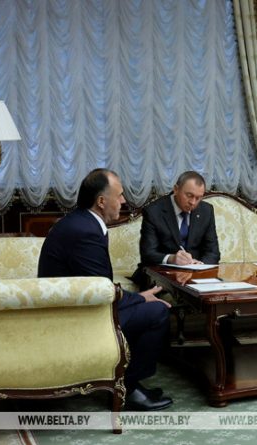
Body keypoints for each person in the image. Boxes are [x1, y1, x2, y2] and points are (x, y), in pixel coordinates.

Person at [38, 168, 173, 411]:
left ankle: (123, 382)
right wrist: (140, 300)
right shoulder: (85, 232)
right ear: (101, 201)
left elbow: (98, 286)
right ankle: (126, 389)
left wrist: (138, 297)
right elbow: (102, 292)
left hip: (77, 309)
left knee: (148, 306)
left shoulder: (82, 222)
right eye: (119, 195)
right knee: (158, 312)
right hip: (76, 320)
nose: (124, 201)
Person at [132, 171, 220, 288]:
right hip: (160, 275)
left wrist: (200, 265)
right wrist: (172, 258)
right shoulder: (154, 211)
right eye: (189, 195)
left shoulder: (206, 211)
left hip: (195, 276)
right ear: (176, 189)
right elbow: (148, 254)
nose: (193, 202)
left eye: (198, 198)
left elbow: (213, 252)